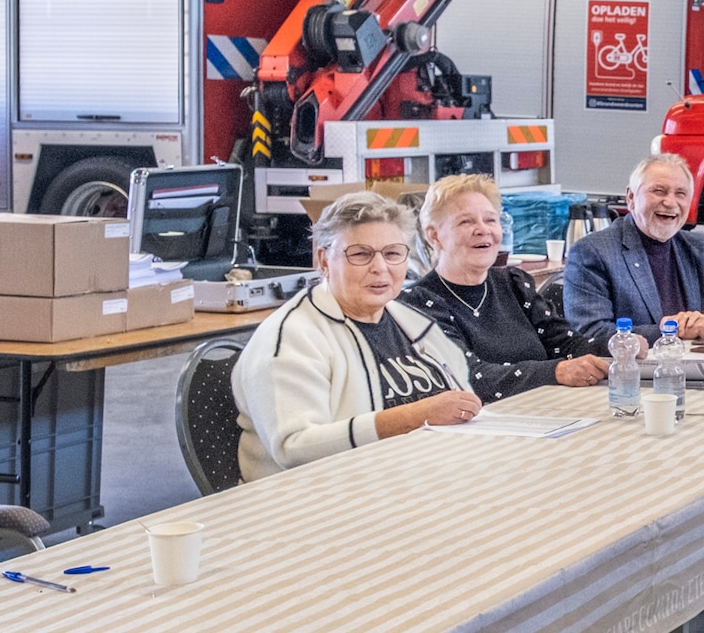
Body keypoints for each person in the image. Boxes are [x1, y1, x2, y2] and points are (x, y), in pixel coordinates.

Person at [232, 191, 479, 480]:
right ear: (323, 260)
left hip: (419, 478)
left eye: (393, 253)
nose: (380, 267)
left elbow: (464, 398)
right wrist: (411, 418)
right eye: (361, 254)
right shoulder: (291, 338)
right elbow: (293, 448)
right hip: (315, 500)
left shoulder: (412, 322)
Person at [402, 174, 610, 401]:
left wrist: (620, 345)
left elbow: (567, 344)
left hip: (547, 409)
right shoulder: (419, 302)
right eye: (466, 222)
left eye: (490, 220)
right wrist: (555, 372)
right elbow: (468, 376)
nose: (483, 230)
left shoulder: (513, 284)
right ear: (434, 236)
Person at [562, 153, 704, 346]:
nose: (670, 203)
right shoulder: (592, 252)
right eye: (659, 191)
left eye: (681, 194)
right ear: (631, 197)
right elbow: (590, 333)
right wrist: (672, 331)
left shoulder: (698, 248)